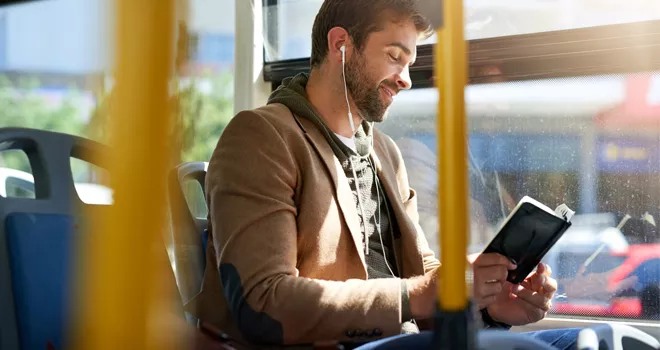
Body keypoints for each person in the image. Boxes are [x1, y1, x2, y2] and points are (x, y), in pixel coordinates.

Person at [189, 1, 579, 348]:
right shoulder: (262, 137)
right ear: (341, 45)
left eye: (409, 64)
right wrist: (426, 293)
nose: (406, 79)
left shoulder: (385, 154)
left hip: (407, 340)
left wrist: (490, 308)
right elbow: (263, 304)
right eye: (395, 56)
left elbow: (423, 279)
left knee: (594, 340)